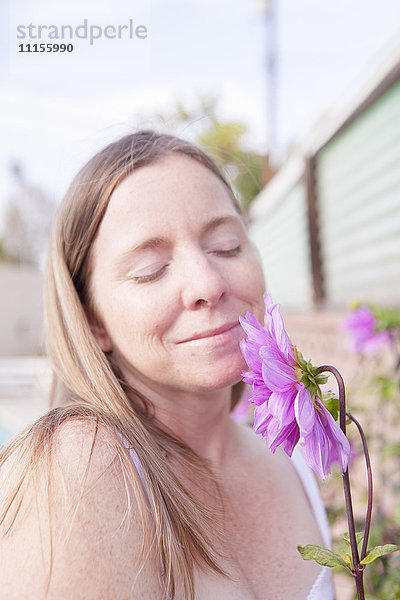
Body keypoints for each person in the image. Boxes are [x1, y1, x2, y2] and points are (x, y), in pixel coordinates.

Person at [0, 130, 335, 599]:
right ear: (93, 319)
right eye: (150, 270)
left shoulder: (292, 457)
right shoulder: (79, 468)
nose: (207, 282)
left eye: (226, 246)